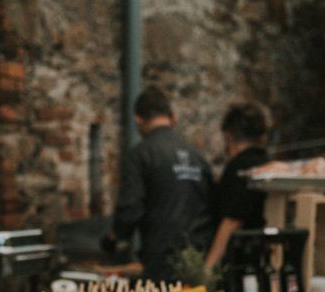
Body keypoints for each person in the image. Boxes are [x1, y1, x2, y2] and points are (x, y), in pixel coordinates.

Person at [104, 86, 214, 281]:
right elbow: (213, 205)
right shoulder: (197, 156)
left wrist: (113, 238)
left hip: (162, 260)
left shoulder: (141, 154)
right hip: (199, 257)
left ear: (138, 118)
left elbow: (130, 209)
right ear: (173, 116)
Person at [204, 103, 269, 270]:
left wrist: (207, 270)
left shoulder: (239, 167)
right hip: (263, 257)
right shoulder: (266, 163)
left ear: (228, 136)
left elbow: (232, 221)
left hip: (240, 262)